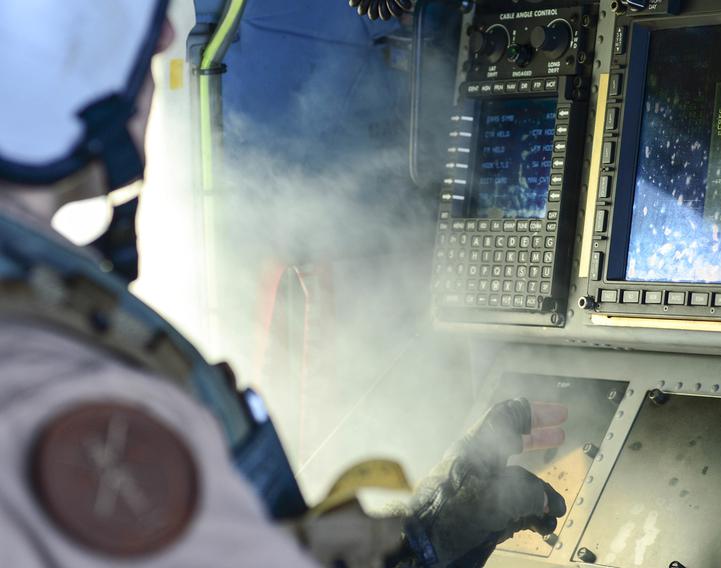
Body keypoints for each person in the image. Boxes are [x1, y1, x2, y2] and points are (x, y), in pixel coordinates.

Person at [0, 1, 567, 566]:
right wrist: (432, 539)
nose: (167, 35)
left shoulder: (44, 300)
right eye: (128, 24)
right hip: (330, 191)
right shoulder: (51, 383)